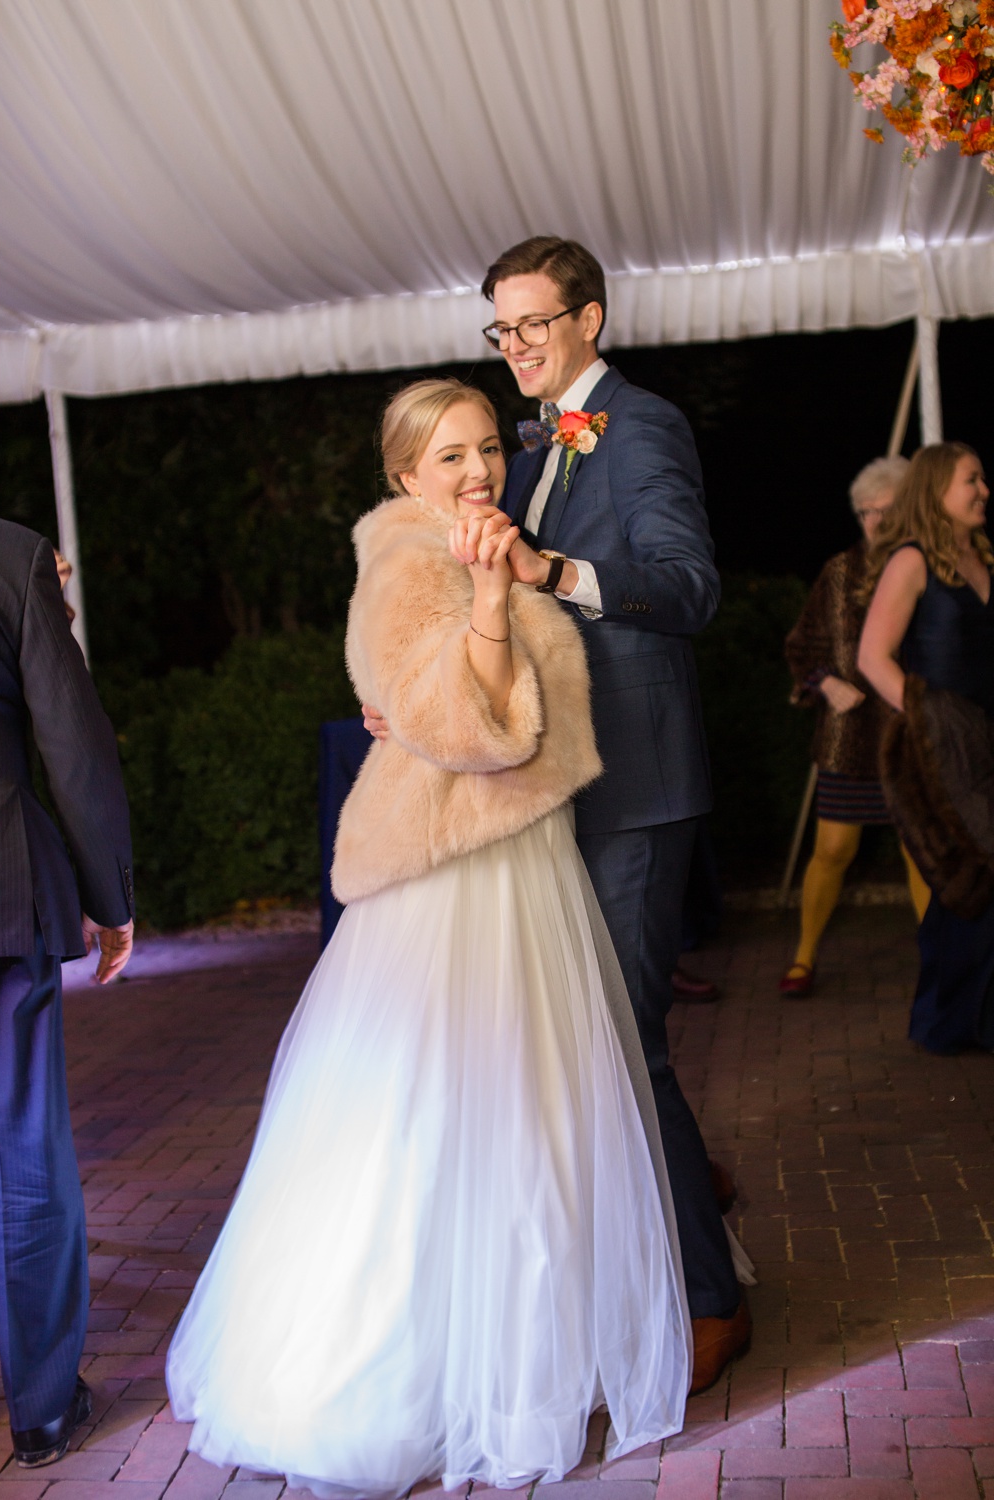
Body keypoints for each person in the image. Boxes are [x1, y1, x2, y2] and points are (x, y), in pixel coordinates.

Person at [168, 380, 689, 1495]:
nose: (475, 471)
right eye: (447, 457)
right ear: (403, 475)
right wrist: (492, 602)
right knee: (441, 1113)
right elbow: (470, 731)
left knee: (528, 1117)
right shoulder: (415, 558)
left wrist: (497, 586)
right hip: (454, 871)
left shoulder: (477, 541)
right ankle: (401, 1375)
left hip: (515, 858)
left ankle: (511, 1361)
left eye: (486, 449)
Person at [365, 236, 748, 1389]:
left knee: (627, 1042)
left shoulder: (638, 427)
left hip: (634, 786)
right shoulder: (530, 450)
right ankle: (676, 1208)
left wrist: (553, 574)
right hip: (558, 787)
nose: (515, 347)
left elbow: (686, 589)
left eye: (533, 325)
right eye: (501, 330)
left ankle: (709, 1296)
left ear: (590, 320)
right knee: (587, 1038)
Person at [0, 517, 135, 1468]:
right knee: (25, 1152)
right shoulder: (8, 555)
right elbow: (72, 744)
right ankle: (41, 1408)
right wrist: (109, 897)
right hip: (1, 890)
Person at [858, 442, 994, 1054]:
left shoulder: (981, 556)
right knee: (968, 875)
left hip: (987, 742)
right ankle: (948, 1022)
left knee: (978, 878)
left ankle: (964, 1020)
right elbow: (871, 658)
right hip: (943, 754)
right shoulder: (910, 561)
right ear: (937, 488)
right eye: (972, 480)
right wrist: (928, 717)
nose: (983, 490)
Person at [781, 456, 926, 998]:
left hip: (914, 736)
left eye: (886, 512)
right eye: (865, 513)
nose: (874, 523)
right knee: (834, 849)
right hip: (849, 738)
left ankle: (936, 958)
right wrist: (823, 681)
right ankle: (803, 956)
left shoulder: (931, 568)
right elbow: (802, 645)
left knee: (920, 848)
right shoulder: (840, 571)